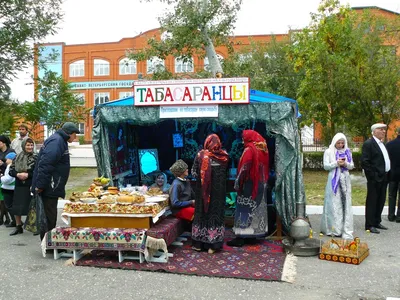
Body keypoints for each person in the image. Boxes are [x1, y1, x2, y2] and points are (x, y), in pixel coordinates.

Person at [32, 122, 80, 240]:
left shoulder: (59, 140)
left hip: (51, 185)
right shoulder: (57, 141)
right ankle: (48, 243)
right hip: (49, 185)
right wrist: (41, 185)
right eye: (75, 135)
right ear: (69, 133)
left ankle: (49, 242)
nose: (75, 138)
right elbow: (46, 164)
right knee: (48, 216)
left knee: (49, 215)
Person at [227, 130, 269, 247]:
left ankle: (241, 236)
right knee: (254, 208)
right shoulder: (263, 149)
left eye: (243, 138)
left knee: (244, 209)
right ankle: (253, 235)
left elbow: (244, 168)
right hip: (260, 184)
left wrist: (238, 183)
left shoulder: (249, 150)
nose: (242, 140)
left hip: (249, 185)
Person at [191, 134, 229, 253]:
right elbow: (226, 174)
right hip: (218, 193)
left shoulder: (201, 155)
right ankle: (213, 246)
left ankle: (198, 245)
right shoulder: (224, 157)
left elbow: (194, 173)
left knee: (201, 214)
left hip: (202, 193)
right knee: (215, 214)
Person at [320, 133, 354, 239]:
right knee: (334, 203)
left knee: (345, 202)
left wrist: (345, 164)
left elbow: (352, 165)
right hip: (333, 179)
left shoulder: (347, 152)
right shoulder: (329, 152)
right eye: (338, 143)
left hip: (345, 180)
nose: (340, 145)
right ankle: (334, 228)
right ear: (334, 142)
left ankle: (345, 227)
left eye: (342, 143)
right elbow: (326, 166)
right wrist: (336, 163)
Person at [361, 123, 391, 234]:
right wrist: (372, 176)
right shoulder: (369, 144)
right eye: (381, 129)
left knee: (381, 200)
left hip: (384, 176)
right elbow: (365, 161)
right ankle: (369, 224)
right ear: (374, 131)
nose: (383, 131)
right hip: (375, 178)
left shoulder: (382, 144)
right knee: (372, 201)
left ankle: (376, 221)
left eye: (384, 129)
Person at [9, 138, 37, 236]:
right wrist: (17, 174)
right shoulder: (17, 157)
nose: (30, 147)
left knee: (32, 206)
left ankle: (34, 227)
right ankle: (18, 226)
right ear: (23, 146)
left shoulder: (36, 157)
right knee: (17, 206)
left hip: (30, 185)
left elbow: (37, 171)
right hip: (19, 185)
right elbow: (11, 170)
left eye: (31, 145)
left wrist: (27, 175)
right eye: (27, 145)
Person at [386, 127, 400, 223]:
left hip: (392, 173)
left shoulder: (389, 145)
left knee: (391, 195)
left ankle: (391, 215)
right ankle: (399, 217)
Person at [0, 152, 16, 227]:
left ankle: (15, 221)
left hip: (8, 188)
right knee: (9, 206)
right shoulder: (10, 165)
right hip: (10, 187)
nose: (6, 161)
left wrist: (1, 178)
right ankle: (14, 220)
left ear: (11, 159)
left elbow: (8, 178)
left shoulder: (11, 166)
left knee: (9, 206)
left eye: (7, 159)